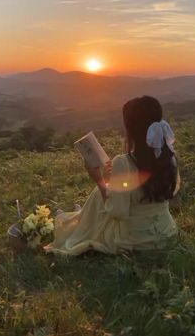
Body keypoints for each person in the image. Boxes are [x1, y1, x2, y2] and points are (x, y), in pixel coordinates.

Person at [45, 96, 179, 256]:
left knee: (99, 193)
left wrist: (99, 179)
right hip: (167, 233)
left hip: (136, 241)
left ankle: (79, 221)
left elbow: (117, 212)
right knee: (108, 189)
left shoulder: (124, 162)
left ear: (131, 129)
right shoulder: (169, 157)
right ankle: (80, 217)